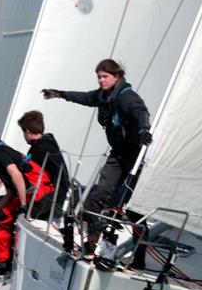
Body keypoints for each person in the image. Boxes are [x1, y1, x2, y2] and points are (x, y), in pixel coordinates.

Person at [43, 58, 152, 267]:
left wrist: (144, 129)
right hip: (117, 155)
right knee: (96, 197)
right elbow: (84, 97)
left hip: (133, 157)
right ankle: (91, 245)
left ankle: (139, 259)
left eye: (105, 76)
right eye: (99, 77)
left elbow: (141, 112)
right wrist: (60, 94)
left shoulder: (127, 97)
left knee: (132, 211)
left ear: (117, 76)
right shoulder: (104, 96)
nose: (101, 80)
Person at [0, 125, 53, 272]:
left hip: (37, 194)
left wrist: (23, 204)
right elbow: (10, 192)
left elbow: (16, 174)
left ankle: (2, 263)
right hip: (36, 192)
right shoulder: (2, 150)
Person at [17, 110, 69, 222]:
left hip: (45, 205)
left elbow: (63, 181)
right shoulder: (42, 146)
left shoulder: (41, 150)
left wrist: (55, 216)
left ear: (27, 131)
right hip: (43, 201)